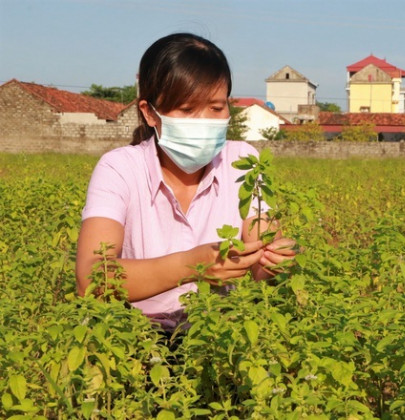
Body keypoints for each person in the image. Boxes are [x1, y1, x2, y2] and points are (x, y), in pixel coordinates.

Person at [75, 33, 296, 332]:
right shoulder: (120, 168)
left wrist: (271, 259)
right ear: (149, 113)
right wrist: (194, 265)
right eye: (187, 110)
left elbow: (263, 259)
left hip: (218, 334)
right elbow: (91, 277)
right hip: (136, 338)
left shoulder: (243, 162)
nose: (204, 122)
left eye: (216, 109)